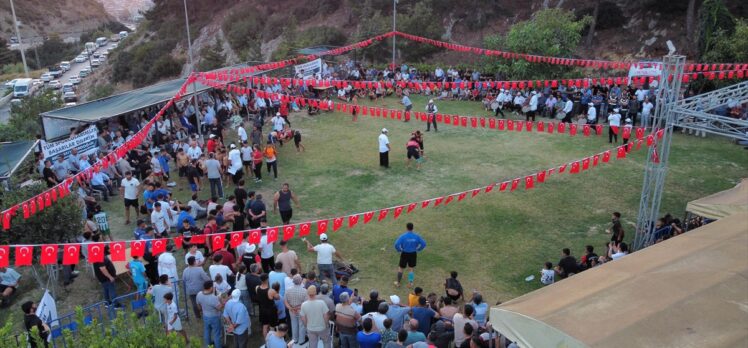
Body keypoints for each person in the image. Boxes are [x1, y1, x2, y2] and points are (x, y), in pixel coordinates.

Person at [394, 222, 427, 288]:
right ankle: (410, 283)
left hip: (405, 253)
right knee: (411, 269)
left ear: (406, 228)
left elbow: (396, 244)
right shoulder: (416, 236)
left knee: (401, 268)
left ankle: (398, 283)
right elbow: (423, 244)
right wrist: (418, 249)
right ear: (413, 228)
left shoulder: (403, 236)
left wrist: (399, 250)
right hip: (413, 253)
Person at [196, 280, 223, 348]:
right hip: (214, 317)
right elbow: (219, 308)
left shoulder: (199, 294)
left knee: (207, 331)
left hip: (205, 316)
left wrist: (203, 310)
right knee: (217, 334)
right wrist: (221, 300)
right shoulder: (213, 298)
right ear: (211, 288)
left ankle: (208, 345)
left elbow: (198, 306)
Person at [285, 274, 309, 345]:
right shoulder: (305, 291)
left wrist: (291, 308)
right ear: (301, 281)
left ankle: (295, 339)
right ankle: (301, 340)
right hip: (301, 310)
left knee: (293, 324)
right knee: (301, 325)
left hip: (292, 310)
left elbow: (285, 301)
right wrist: (297, 308)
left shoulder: (288, 290)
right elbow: (306, 302)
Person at [257, 273, 281, 338]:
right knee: (272, 327)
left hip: (262, 309)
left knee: (265, 326)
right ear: (267, 279)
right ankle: (274, 341)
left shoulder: (258, 288)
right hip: (270, 311)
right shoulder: (271, 290)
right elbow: (278, 297)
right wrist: (276, 292)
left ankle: (267, 342)